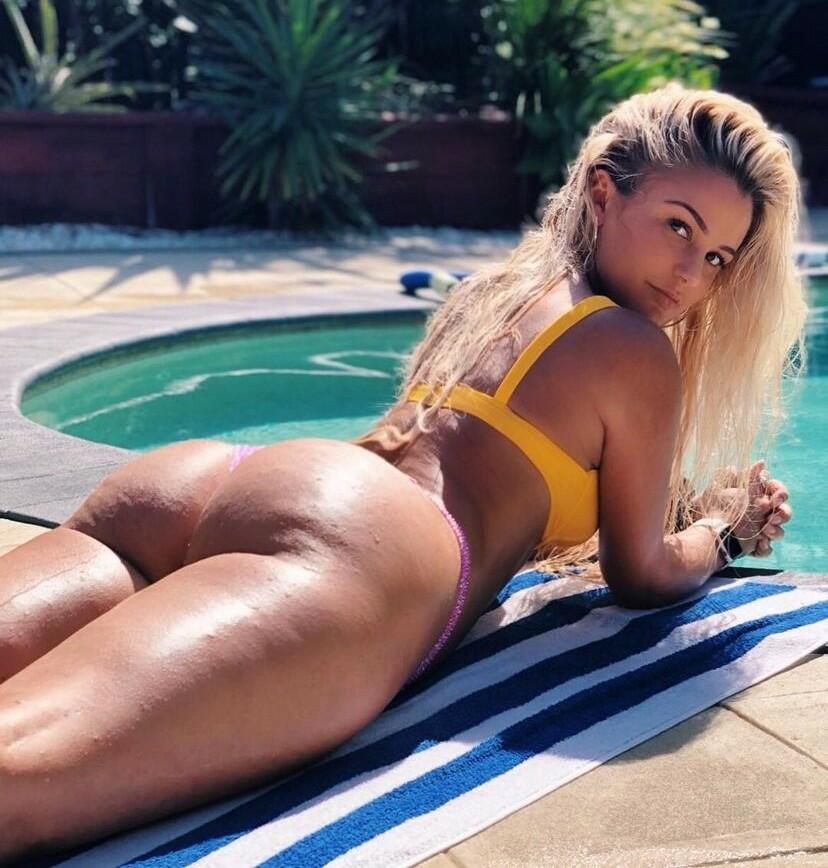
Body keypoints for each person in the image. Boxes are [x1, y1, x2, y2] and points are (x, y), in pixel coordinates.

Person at [0, 82, 803, 860]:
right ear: (602, 191)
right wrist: (721, 532)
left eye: (717, 257)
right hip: (356, 547)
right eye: (677, 226)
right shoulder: (633, 348)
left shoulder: (502, 291)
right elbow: (644, 574)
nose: (691, 273)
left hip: (215, 483)